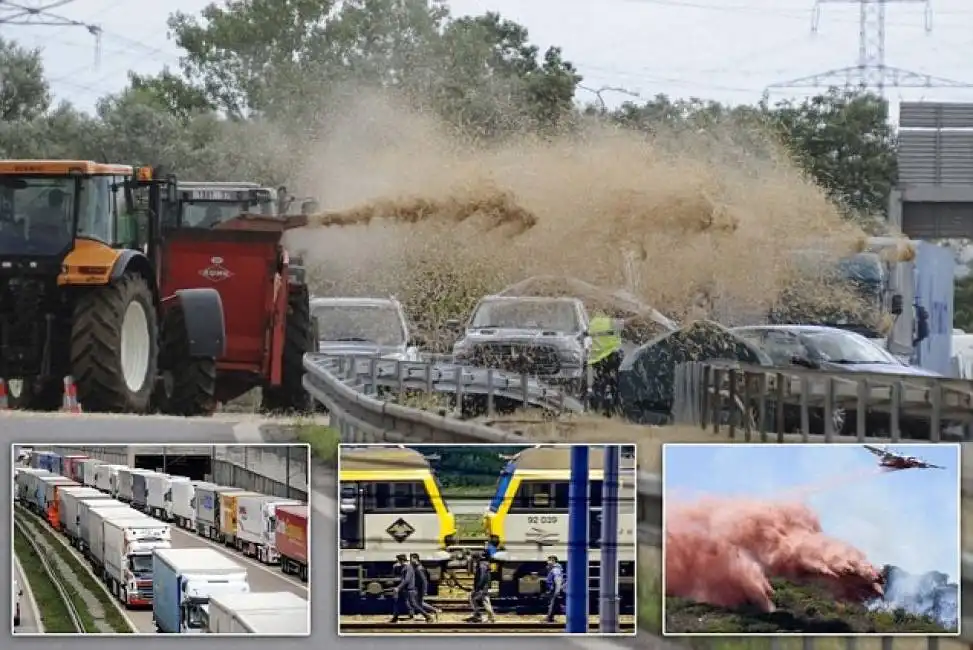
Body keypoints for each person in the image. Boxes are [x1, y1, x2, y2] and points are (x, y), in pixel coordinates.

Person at [587, 311, 624, 415]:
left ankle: (596, 410)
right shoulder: (611, 322)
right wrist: (644, 314)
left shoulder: (592, 322)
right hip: (610, 357)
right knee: (615, 386)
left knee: (597, 387)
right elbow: (629, 323)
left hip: (595, 361)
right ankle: (613, 410)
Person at [390, 554, 430, 623]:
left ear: (401, 560)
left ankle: (427, 616)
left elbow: (407, 580)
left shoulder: (408, 567)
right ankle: (395, 618)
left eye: (398, 560)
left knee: (414, 604)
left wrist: (398, 588)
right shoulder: (404, 567)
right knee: (397, 602)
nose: (397, 561)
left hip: (409, 589)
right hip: (404, 589)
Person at [466, 551, 496, 623]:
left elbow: (482, 577)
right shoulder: (484, 564)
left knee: (476, 598)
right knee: (482, 600)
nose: (474, 561)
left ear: (476, 558)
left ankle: (484, 616)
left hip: (482, 587)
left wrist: (478, 587)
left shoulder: (482, 565)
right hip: (483, 587)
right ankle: (485, 616)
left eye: (474, 559)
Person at [410, 553, 440, 620]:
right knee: (419, 603)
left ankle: (427, 615)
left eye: (411, 559)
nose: (410, 560)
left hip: (420, 588)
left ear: (416, 559)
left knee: (417, 603)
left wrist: (424, 590)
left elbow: (424, 580)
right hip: (418, 587)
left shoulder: (419, 568)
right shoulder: (417, 567)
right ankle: (435, 610)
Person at [544, 555, 566, 623]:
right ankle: (549, 618)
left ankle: (549, 618)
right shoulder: (554, 569)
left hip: (555, 590)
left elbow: (558, 581)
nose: (547, 562)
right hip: (554, 589)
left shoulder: (556, 570)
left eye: (549, 560)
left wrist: (557, 591)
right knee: (554, 604)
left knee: (553, 604)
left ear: (553, 560)